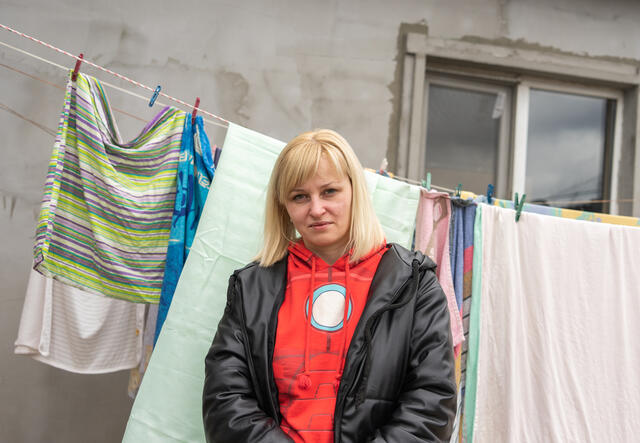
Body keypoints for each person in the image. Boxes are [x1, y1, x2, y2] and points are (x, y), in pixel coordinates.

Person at [203, 129, 456, 442]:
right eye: (300, 196)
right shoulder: (251, 287)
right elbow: (224, 400)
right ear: (284, 206)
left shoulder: (414, 284)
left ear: (354, 190)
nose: (316, 209)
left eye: (329, 191)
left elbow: (432, 402)